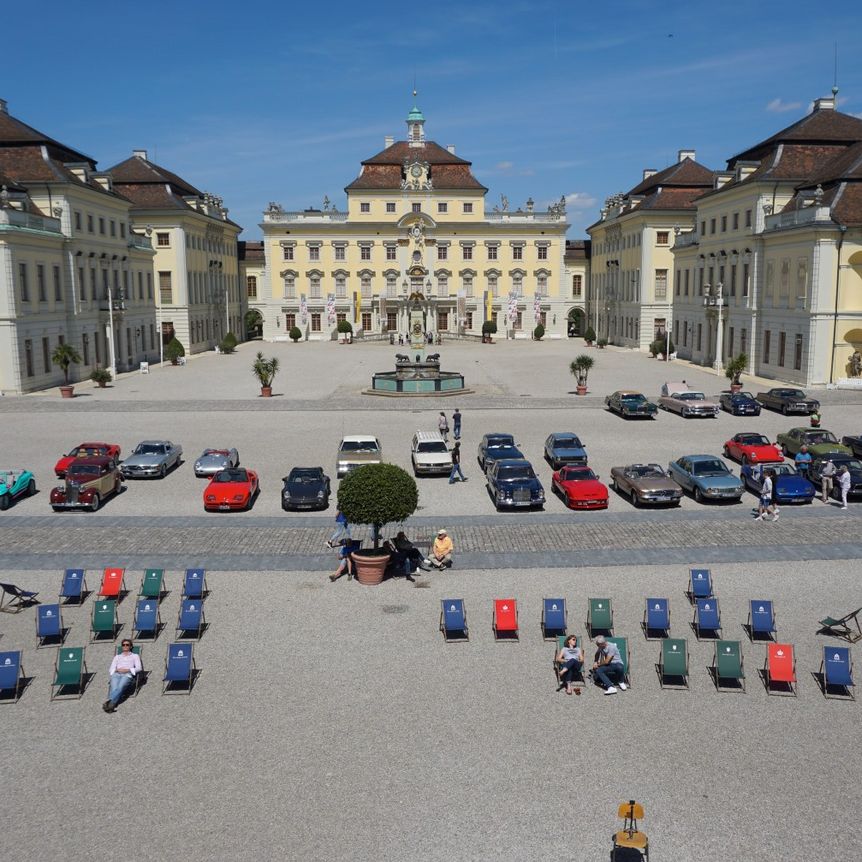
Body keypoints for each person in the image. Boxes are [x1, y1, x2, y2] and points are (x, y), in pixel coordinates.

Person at [103, 639, 142, 713]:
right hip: (117, 674)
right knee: (114, 688)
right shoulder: (117, 657)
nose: (125, 646)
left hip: (127, 674)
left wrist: (127, 670)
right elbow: (111, 668)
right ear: (122, 646)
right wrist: (117, 670)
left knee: (120, 687)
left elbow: (139, 668)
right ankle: (111, 705)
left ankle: (109, 701)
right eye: (123, 645)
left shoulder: (135, 656)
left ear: (130, 646)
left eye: (127, 645)